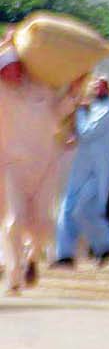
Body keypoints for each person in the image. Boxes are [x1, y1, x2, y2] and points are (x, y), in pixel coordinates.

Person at [0, 33, 80, 293]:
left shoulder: (41, 88)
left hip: (45, 163)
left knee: (44, 224)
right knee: (15, 219)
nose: (11, 73)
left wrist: (75, 90)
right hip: (12, 165)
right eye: (5, 68)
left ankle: (32, 258)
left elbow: (58, 114)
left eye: (14, 67)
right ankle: (13, 277)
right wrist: (6, 45)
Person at [52, 75, 109, 268]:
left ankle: (106, 245)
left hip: (99, 170)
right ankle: (64, 255)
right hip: (81, 167)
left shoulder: (108, 110)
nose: (99, 89)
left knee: (84, 210)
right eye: (97, 85)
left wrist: (80, 112)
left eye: (103, 86)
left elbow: (87, 132)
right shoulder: (92, 109)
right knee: (68, 207)